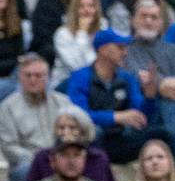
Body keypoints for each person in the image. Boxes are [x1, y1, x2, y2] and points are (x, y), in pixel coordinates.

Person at [67, 28, 165, 165]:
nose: (125, 53)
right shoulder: (80, 77)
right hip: (92, 143)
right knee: (94, 131)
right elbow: (77, 116)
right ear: (103, 50)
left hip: (121, 139)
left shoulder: (127, 78)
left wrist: (149, 97)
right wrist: (116, 117)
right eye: (120, 48)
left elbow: (141, 117)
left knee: (163, 135)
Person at [0, 54, 79, 181]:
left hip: (62, 156)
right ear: (20, 77)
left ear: (48, 77)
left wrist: (59, 157)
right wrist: (40, 159)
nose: (33, 80)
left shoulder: (64, 102)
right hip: (29, 163)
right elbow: (8, 146)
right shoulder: (7, 107)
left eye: (38, 75)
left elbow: (74, 135)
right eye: (28, 75)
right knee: (23, 171)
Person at [129, 0, 175, 162]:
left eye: (154, 17)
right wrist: (162, 84)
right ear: (133, 20)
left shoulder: (171, 49)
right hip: (142, 109)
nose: (149, 21)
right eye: (144, 16)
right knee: (172, 101)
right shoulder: (126, 48)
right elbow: (138, 76)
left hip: (173, 108)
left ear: (161, 23)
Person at [52, 0, 105, 88]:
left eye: (91, 6)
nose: (87, 10)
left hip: (95, 84)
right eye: (81, 6)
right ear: (74, 10)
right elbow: (76, 66)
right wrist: (82, 32)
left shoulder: (103, 30)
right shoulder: (62, 34)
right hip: (66, 83)